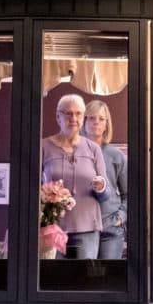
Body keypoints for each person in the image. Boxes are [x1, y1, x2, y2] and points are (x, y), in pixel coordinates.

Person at [40, 92, 108, 258]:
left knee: (84, 281)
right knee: (51, 280)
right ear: (58, 117)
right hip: (52, 227)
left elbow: (106, 195)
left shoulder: (94, 149)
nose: (73, 118)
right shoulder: (43, 146)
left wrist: (101, 187)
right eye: (68, 113)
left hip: (87, 228)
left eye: (78, 114)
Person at [85, 98, 127, 260]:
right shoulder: (72, 153)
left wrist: (120, 218)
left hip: (111, 229)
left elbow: (129, 194)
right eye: (91, 118)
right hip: (81, 230)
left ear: (107, 124)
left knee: (107, 281)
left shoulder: (116, 155)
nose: (96, 122)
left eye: (101, 119)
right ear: (84, 121)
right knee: (81, 280)